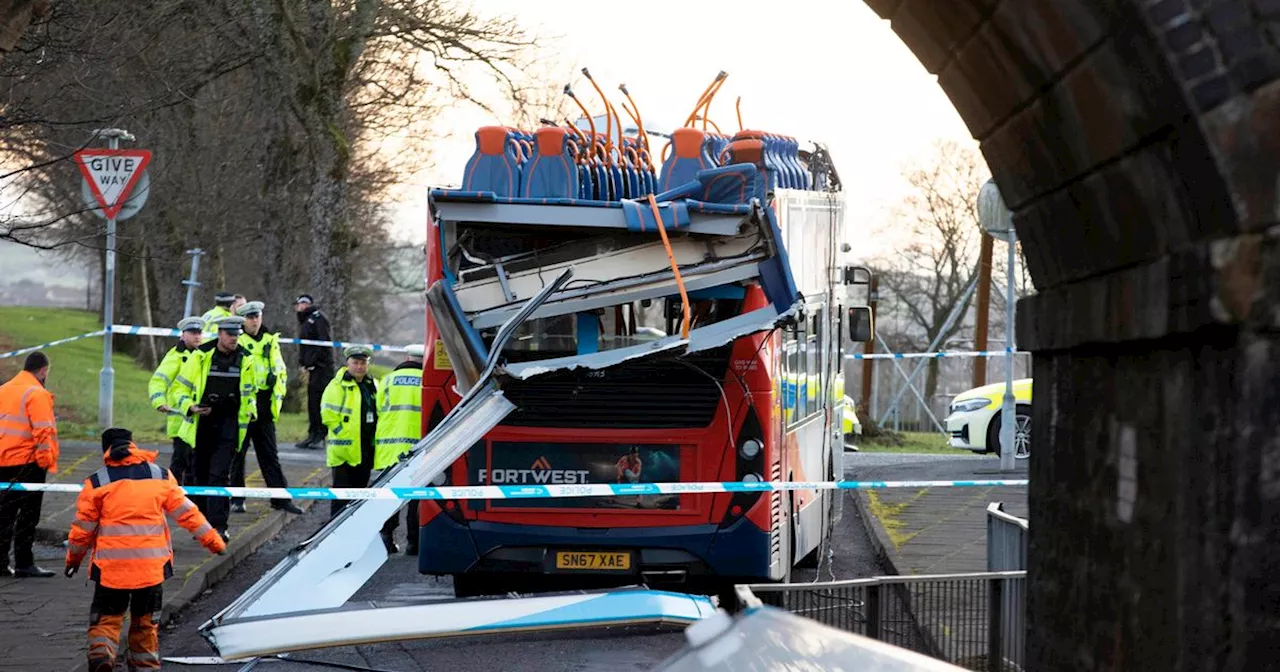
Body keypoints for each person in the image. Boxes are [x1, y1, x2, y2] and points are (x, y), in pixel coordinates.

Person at [65, 427, 226, 672]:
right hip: (151, 570)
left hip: (111, 570)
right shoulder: (160, 476)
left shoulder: (97, 481)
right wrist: (214, 542)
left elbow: (82, 531)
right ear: (133, 445)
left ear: (105, 450)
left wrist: (73, 560)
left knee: (106, 620)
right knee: (145, 623)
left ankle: (102, 655)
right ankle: (145, 666)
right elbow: (188, 514)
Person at [171, 316, 260, 542]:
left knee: (219, 475)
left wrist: (250, 412)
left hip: (229, 424)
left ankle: (219, 526)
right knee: (199, 474)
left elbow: (251, 392)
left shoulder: (246, 359)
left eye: (237, 335)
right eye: (230, 335)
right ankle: (201, 524)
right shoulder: (201, 356)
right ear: (220, 333)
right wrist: (189, 406)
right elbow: (180, 388)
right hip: (202, 424)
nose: (234, 339)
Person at [321, 345, 398, 553]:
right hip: (344, 450)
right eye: (355, 362)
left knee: (360, 493)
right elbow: (327, 413)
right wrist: (342, 432)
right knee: (341, 494)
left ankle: (353, 534)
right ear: (348, 363)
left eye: (363, 362)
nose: (359, 366)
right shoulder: (337, 385)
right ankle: (335, 535)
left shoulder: (374, 384)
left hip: (366, 448)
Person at [228, 301, 302, 515]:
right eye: (250, 317)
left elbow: (280, 371)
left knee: (269, 454)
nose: (254, 320)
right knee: (237, 453)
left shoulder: (271, 340)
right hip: (243, 405)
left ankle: (280, 498)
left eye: (257, 316)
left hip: (265, 404)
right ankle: (236, 497)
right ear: (243, 320)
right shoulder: (237, 341)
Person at [0, 351, 59, 577]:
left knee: (4, 515)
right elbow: (43, 431)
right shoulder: (36, 393)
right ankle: (25, 563)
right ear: (43, 370)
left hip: (3, 460)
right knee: (28, 516)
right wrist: (45, 462)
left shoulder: (4, 389)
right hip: (28, 463)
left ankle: (1, 562)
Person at [375, 343, 424, 555]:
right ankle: (414, 542)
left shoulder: (387, 381)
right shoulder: (426, 381)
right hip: (418, 448)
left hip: (389, 448)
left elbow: (379, 409)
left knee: (390, 496)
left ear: (407, 357)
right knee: (415, 498)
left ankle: (386, 538)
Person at [149, 317, 203, 485]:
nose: (197, 337)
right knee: (181, 461)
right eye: (193, 333)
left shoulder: (203, 355)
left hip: (196, 417)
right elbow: (158, 381)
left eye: (199, 333)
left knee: (196, 463)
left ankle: (190, 498)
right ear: (183, 335)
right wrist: (159, 401)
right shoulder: (175, 356)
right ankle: (171, 494)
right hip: (179, 418)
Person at [294, 294, 334, 450]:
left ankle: (320, 435)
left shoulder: (317, 318)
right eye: (299, 304)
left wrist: (312, 362)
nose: (301, 306)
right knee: (312, 402)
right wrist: (303, 363)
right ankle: (313, 433)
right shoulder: (305, 321)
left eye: (304, 303)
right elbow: (305, 346)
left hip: (322, 368)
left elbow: (322, 343)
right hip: (313, 368)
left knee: (318, 402)